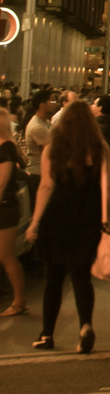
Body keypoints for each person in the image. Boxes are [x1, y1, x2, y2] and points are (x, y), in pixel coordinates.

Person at [26, 100, 110, 353]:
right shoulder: (100, 148)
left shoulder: (53, 149)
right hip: (88, 218)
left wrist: (35, 222)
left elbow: (45, 186)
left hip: (56, 218)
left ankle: (47, 334)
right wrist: (106, 218)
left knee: (53, 278)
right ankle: (85, 325)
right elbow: (107, 186)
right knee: (81, 276)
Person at [0, 109, 27, 317]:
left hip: (5, 207)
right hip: (5, 205)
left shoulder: (6, 147)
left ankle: (19, 302)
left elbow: (2, 181)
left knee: (6, 256)